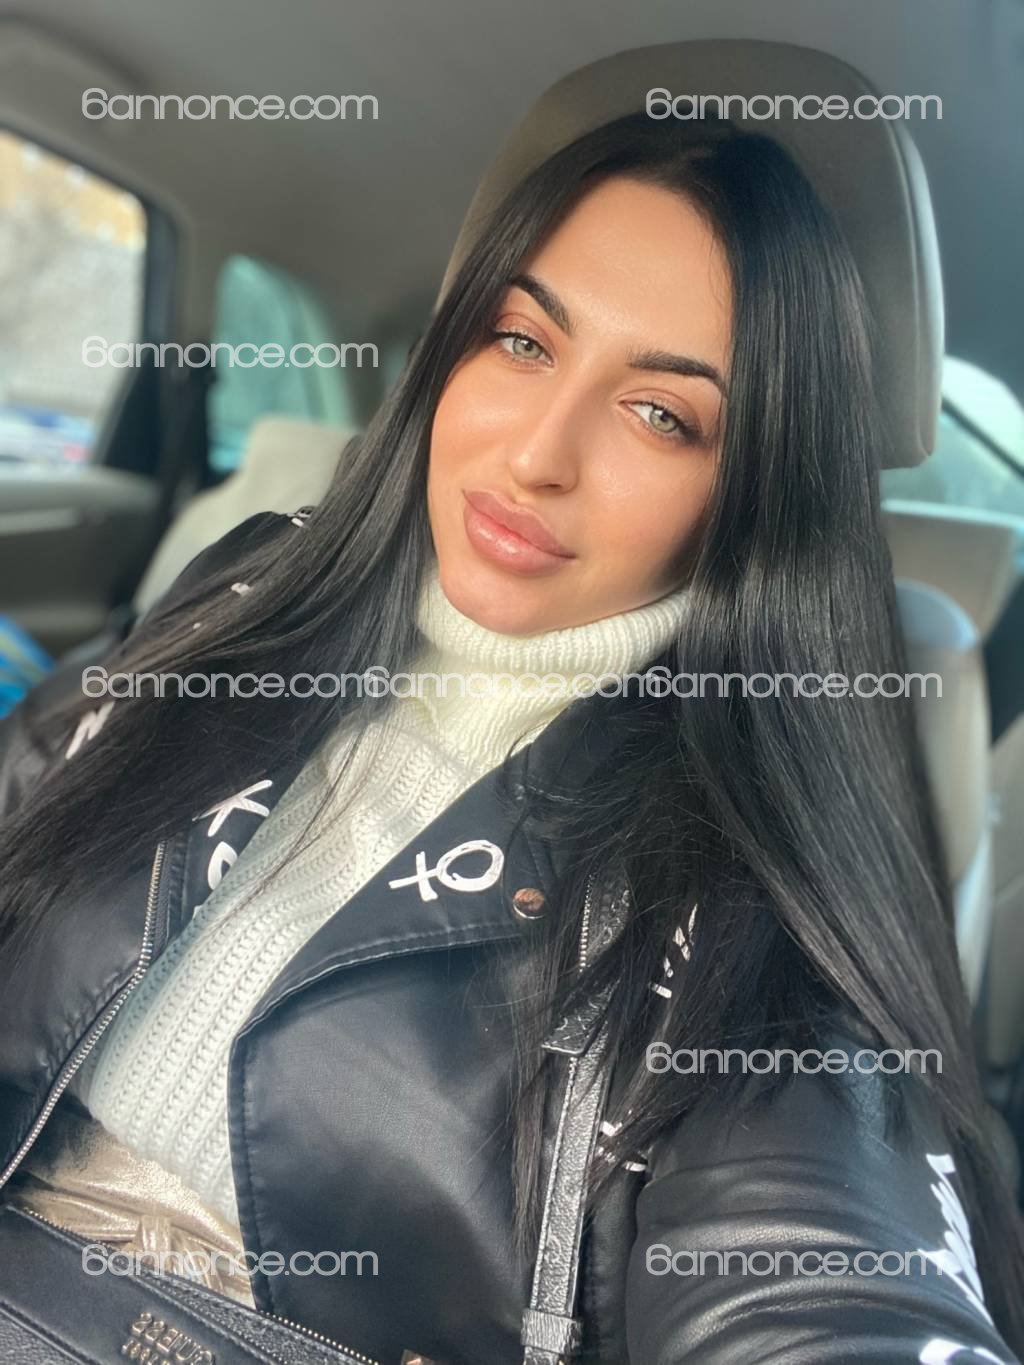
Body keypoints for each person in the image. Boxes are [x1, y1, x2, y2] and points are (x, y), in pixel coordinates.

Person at [0, 109, 1021, 1365]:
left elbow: (829, 1284)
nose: (537, 454)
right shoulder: (253, 591)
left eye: (661, 415)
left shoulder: (739, 889)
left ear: (753, 489)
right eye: (523, 341)